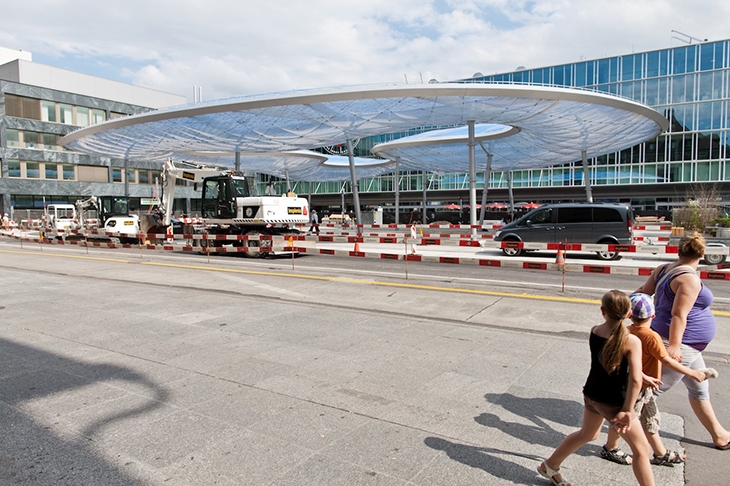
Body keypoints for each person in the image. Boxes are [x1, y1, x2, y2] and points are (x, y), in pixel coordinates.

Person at [538, 290, 655, 486]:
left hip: (592, 394)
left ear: (602, 311)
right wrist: (627, 410)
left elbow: (608, 363)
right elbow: (634, 380)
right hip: (615, 402)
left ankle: (550, 466)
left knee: (588, 434)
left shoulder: (595, 331)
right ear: (628, 314)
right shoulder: (632, 341)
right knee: (642, 450)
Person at [635, 233, 730, 450]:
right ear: (702, 254)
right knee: (646, 393)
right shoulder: (689, 278)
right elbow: (679, 315)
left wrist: (621, 308)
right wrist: (675, 347)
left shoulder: (663, 269)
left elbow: (642, 293)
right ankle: (616, 437)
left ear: (678, 251)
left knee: (699, 388)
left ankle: (719, 435)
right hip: (679, 343)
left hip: (690, 345)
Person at [599, 293, 717, 467]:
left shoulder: (626, 331)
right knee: (626, 418)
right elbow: (666, 360)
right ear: (653, 316)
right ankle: (611, 447)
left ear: (629, 315)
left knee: (650, 418)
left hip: (639, 383)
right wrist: (694, 373)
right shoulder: (651, 336)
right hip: (638, 387)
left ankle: (660, 453)